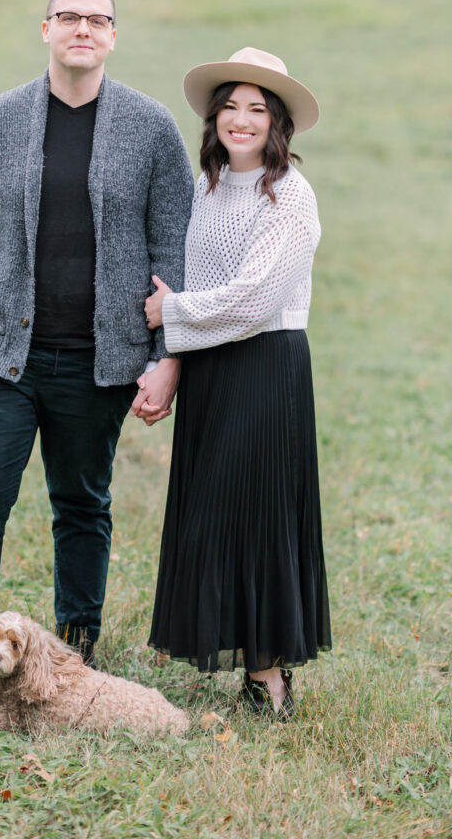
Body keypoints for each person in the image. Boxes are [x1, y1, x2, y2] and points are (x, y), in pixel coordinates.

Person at [0, 0, 193, 704]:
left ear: (113, 36)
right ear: (45, 29)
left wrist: (165, 356)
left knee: (82, 503)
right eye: (68, 17)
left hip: (97, 363)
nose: (83, 29)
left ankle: (75, 656)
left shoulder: (150, 129)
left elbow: (175, 250)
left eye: (97, 20)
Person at [144, 47, 331, 719]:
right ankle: (249, 665)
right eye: (231, 106)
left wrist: (174, 313)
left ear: (277, 123)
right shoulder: (204, 185)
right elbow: (187, 276)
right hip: (212, 369)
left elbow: (253, 300)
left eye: (258, 109)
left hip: (265, 365)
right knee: (212, 517)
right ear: (215, 117)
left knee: (256, 516)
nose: (242, 119)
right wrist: (169, 358)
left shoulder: (293, 197)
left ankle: (270, 677)